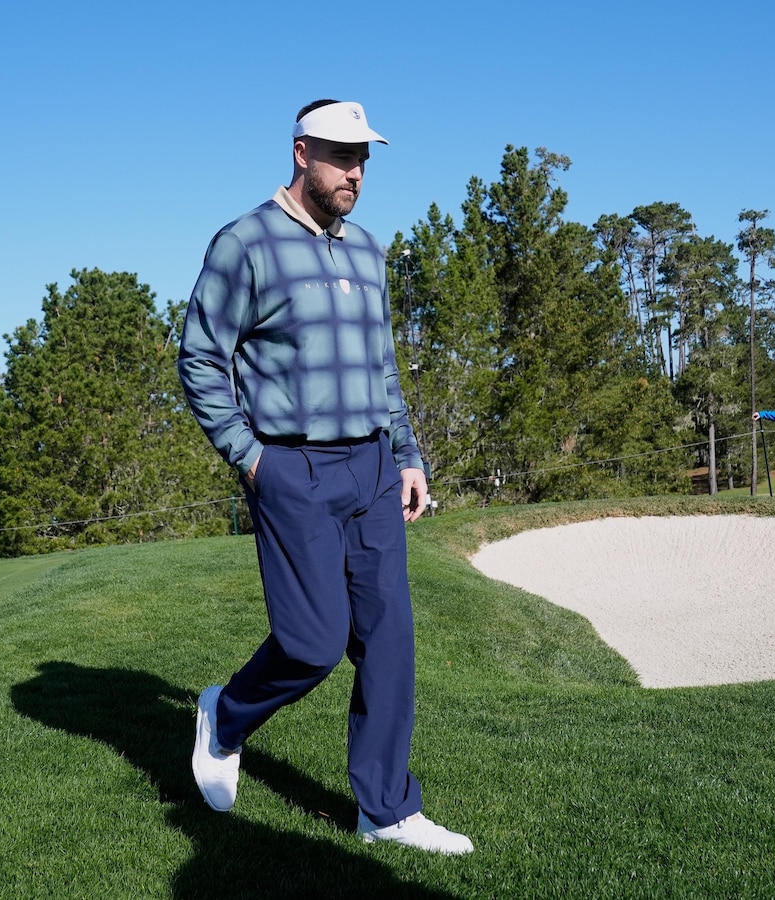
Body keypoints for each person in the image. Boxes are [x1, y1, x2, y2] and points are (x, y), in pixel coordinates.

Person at [176, 99, 472, 855]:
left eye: (363, 158)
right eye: (342, 156)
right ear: (302, 153)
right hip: (291, 466)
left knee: (388, 639)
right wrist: (250, 457)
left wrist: (408, 455)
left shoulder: (368, 250)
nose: (355, 173)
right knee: (311, 643)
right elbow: (201, 358)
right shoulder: (245, 243)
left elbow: (382, 368)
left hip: (372, 466)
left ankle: (386, 809)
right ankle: (225, 716)